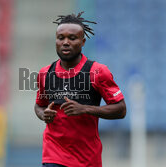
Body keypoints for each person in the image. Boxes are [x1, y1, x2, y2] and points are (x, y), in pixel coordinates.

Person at [34, 12, 126, 167]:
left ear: (83, 42)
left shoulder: (97, 72)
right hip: (53, 154)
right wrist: (44, 114)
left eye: (72, 38)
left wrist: (85, 109)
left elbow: (121, 109)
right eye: (60, 37)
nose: (65, 42)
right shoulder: (45, 73)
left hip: (87, 158)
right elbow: (39, 105)